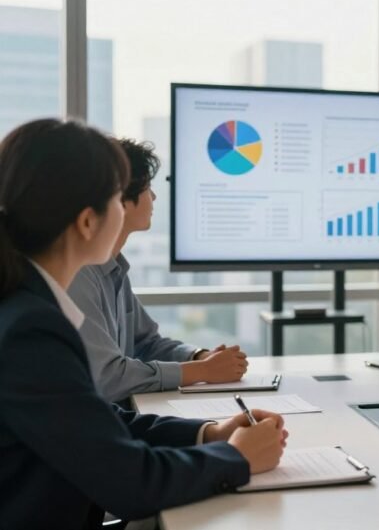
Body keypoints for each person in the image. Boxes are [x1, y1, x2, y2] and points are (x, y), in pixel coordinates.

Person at [0, 119, 286, 529]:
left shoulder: (24, 305)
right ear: (87, 222)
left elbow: (96, 421)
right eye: (118, 199)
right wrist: (237, 458)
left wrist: (209, 433)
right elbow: (131, 483)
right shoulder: (30, 330)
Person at [68, 138, 248, 403]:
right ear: (121, 201)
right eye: (147, 188)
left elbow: (145, 343)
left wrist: (198, 356)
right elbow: (107, 378)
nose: (153, 197)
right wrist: (201, 371)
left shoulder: (114, 267)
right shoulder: (79, 274)